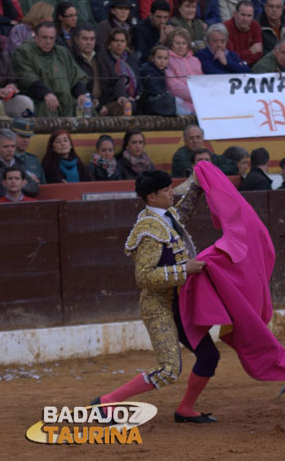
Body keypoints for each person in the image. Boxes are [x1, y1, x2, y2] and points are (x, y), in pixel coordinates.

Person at [92, 169, 219, 425]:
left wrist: (199, 185)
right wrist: (184, 269)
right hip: (159, 306)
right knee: (169, 369)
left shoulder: (164, 216)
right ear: (152, 196)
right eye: (167, 190)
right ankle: (106, 403)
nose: (173, 193)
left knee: (208, 356)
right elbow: (144, 277)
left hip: (180, 303)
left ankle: (185, 409)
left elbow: (181, 215)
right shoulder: (148, 229)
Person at [12, 21, 90, 117]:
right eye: (44, 37)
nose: (48, 41)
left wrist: (80, 94)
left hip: (66, 100)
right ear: (35, 37)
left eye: (51, 38)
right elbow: (27, 77)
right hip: (39, 99)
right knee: (48, 108)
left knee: (86, 107)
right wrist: (46, 94)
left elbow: (77, 75)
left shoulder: (62, 52)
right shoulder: (24, 52)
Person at [71, 24, 130, 116]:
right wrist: (97, 105)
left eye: (92, 39)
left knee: (127, 105)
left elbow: (115, 79)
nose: (89, 42)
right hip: (84, 102)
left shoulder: (100, 54)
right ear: (76, 40)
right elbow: (77, 86)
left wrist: (121, 95)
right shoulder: (71, 57)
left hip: (104, 102)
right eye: (85, 39)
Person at [166, 27, 203, 115]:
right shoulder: (167, 60)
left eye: (184, 43)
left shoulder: (195, 60)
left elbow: (202, 81)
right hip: (180, 101)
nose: (181, 46)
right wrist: (195, 94)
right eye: (177, 43)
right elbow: (173, 86)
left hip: (200, 100)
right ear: (171, 44)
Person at [0, 128, 39, 197]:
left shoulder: (18, 163)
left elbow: (34, 188)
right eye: (6, 147)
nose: (10, 150)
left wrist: (16, 187)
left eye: (13, 146)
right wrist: (20, 185)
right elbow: (0, 191)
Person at [105, 28, 139, 104]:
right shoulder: (105, 59)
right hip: (115, 99)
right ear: (110, 42)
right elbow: (108, 86)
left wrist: (138, 94)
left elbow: (139, 78)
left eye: (122, 41)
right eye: (116, 41)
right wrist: (125, 96)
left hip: (135, 97)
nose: (119, 44)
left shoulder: (131, 58)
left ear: (126, 43)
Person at [12, 117, 45, 184]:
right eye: (22, 136)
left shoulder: (34, 160)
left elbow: (44, 185)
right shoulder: (6, 159)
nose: (25, 140)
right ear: (12, 135)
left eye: (28, 137)